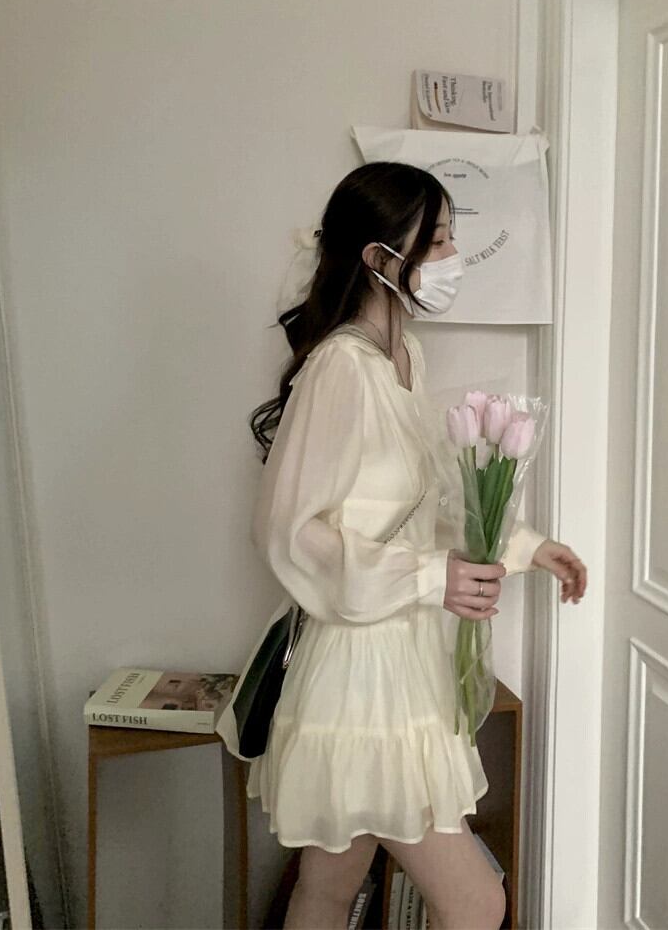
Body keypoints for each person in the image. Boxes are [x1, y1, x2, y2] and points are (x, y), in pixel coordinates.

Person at [243, 163, 587, 929]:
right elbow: (288, 531)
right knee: (474, 900)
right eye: (435, 241)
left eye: (450, 237)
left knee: (328, 888)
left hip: (396, 660)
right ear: (378, 258)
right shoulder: (341, 368)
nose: (451, 256)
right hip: (361, 670)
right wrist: (433, 579)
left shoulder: (404, 360)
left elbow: (422, 501)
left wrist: (528, 547)